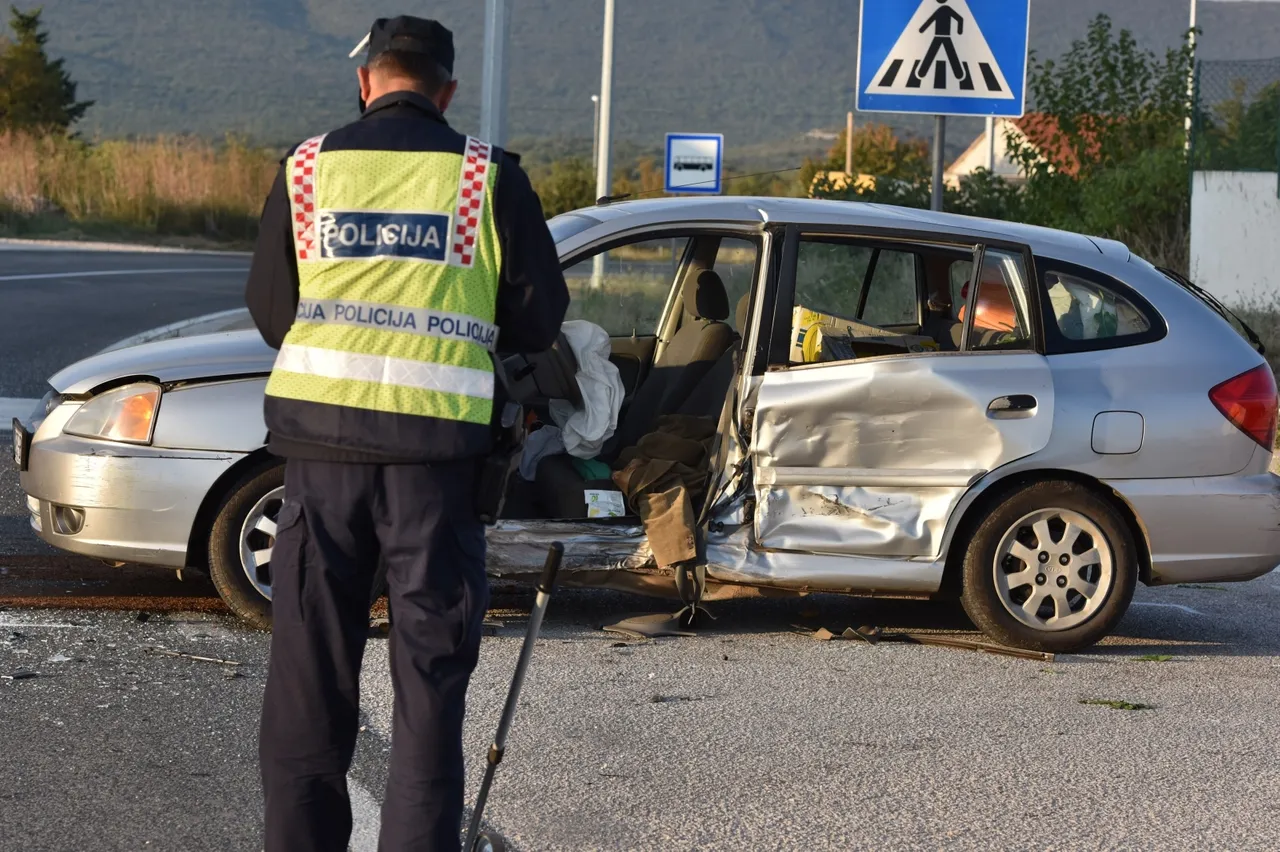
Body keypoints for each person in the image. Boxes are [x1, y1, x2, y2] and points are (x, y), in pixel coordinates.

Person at [243, 15, 569, 851]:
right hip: (437, 473)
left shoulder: (307, 170)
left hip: (321, 467)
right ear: (446, 90)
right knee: (428, 693)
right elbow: (539, 321)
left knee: (309, 688)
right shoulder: (484, 179)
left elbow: (273, 314)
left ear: (366, 82)